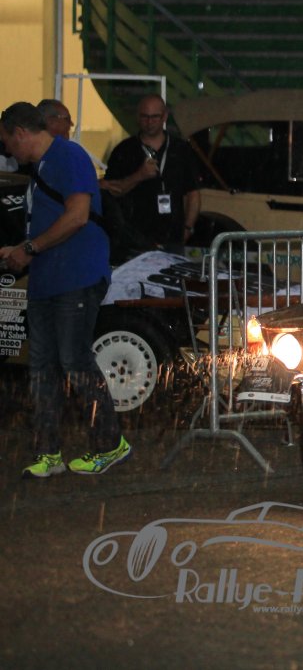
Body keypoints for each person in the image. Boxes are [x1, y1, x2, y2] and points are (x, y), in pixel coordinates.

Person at [0, 102, 130, 478]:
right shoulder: (43, 166)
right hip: (48, 278)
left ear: (21, 133)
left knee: (74, 360)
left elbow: (77, 216)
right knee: (43, 365)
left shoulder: (68, 155)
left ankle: (109, 444)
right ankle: (48, 453)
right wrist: (22, 250)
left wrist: (28, 248)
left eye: (7, 141)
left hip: (75, 276)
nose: (6, 150)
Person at [101, 94, 201, 254]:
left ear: (164, 117)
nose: (149, 122)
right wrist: (139, 176)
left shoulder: (181, 149)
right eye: (145, 117)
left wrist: (188, 227)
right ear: (138, 117)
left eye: (155, 117)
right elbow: (113, 191)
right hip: (134, 239)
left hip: (173, 237)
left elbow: (193, 193)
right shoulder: (124, 150)